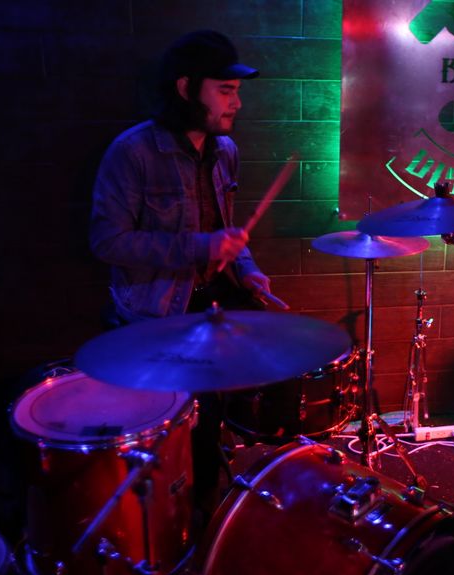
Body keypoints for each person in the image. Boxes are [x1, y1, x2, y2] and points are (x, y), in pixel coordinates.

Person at [89, 30, 269, 528]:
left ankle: (219, 492)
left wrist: (248, 270)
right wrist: (199, 247)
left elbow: (227, 231)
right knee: (188, 423)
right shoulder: (133, 153)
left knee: (271, 363)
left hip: (211, 297)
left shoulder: (224, 150)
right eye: (225, 90)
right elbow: (107, 241)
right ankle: (185, 516)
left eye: (237, 91)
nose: (237, 102)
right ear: (187, 88)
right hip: (155, 308)